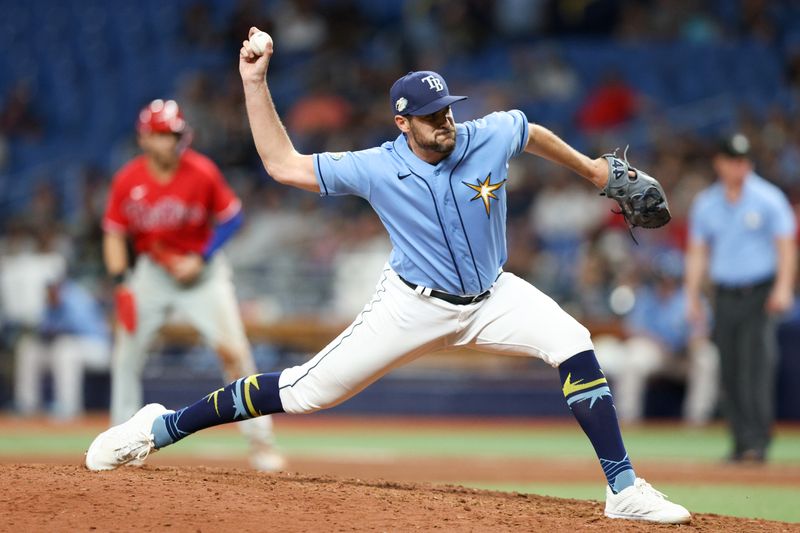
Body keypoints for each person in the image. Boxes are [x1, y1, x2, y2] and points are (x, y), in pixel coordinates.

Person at [86, 29, 690, 524]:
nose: (444, 123)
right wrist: (254, 81)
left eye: (446, 110)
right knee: (302, 392)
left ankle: (624, 489)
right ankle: (160, 426)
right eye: (429, 117)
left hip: (493, 295)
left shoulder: (486, 133)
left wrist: (593, 173)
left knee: (573, 341)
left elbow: (528, 130)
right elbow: (281, 164)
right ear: (403, 123)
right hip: (412, 304)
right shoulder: (376, 167)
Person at [100, 98, 285, 472]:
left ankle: (261, 441)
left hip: (203, 274)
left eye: (174, 134)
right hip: (152, 274)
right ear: (145, 138)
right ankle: (122, 444)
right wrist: (122, 283)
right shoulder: (128, 179)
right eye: (162, 135)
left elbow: (232, 219)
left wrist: (200, 257)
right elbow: (114, 234)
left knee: (234, 353)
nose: (170, 141)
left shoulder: (201, 171)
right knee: (126, 355)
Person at [685, 133, 797, 463]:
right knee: (729, 367)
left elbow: (786, 246)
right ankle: (739, 440)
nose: (740, 167)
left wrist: (783, 287)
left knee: (756, 367)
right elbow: (697, 252)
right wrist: (691, 295)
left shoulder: (768, 198)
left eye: (745, 161)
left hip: (759, 292)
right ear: (719, 163)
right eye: (734, 160)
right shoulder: (707, 203)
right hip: (724, 294)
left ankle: (757, 441)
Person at [594, 252, 719, 425]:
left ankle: (697, 421)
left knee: (707, 357)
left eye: (671, 278)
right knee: (634, 358)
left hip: (683, 356)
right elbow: (633, 329)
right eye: (662, 278)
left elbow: (703, 331)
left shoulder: (691, 298)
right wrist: (658, 341)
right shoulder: (647, 296)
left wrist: (694, 339)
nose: (666, 282)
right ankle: (627, 420)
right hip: (658, 353)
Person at [14, 276, 111, 420]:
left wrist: (53, 331)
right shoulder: (50, 303)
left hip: (96, 347)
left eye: (53, 289)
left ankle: (68, 408)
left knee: (66, 350)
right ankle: (27, 405)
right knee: (29, 349)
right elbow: (45, 330)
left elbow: (77, 329)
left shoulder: (77, 299)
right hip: (69, 348)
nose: (50, 293)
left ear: (61, 288)